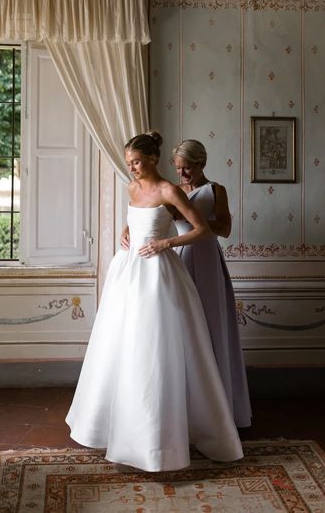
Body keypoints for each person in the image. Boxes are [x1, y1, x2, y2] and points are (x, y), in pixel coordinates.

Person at [66, 132, 243, 472]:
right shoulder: (132, 189)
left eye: (135, 161)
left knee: (157, 346)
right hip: (128, 273)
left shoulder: (169, 190)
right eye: (128, 162)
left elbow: (203, 230)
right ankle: (117, 426)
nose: (131, 168)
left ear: (151, 159)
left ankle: (166, 431)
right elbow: (139, 217)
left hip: (159, 273)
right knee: (123, 343)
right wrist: (125, 230)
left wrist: (165, 244)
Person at [172, 139, 252, 429]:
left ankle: (218, 409)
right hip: (179, 258)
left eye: (188, 168)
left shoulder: (216, 191)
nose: (182, 174)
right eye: (178, 168)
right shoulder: (173, 191)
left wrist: (197, 225)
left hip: (206, 261)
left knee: (211, 324)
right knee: (180, 326)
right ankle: (183, 406)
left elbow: (226, 229)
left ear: (201, 164)